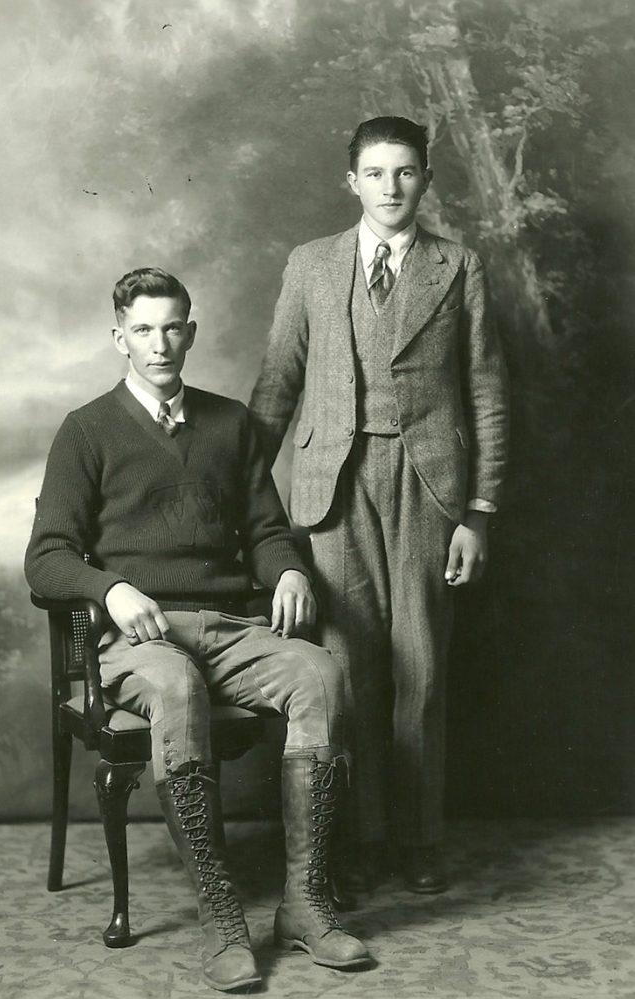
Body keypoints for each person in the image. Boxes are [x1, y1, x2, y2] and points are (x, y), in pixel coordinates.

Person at [25, 267, 370, 993]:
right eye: (144, 330)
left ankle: (305, 907)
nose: (161, 344)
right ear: (119, 337)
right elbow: (47, 558)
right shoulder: (86, 430)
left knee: (322, 673)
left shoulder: (230, 423)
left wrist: (288, 571)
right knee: (176, 684)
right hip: (138, 642)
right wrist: (110, 588)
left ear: (192, 329)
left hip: (228, 628)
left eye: (173, 326)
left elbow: (267, 528)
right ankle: (223, 920)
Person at [248, 116, 509, 896]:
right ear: (351, 181)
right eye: (375, 173)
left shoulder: (457, 266)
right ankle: (356, 838)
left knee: (422, 669)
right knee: (346, 672)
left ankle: (418, 839)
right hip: (331, 486)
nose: (390, 188)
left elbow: (488, 389)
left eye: (405, 173)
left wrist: (480, 512)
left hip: (431, 487)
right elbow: (276, 383)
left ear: (426, 178)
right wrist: (237, 492)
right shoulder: (311, 265)